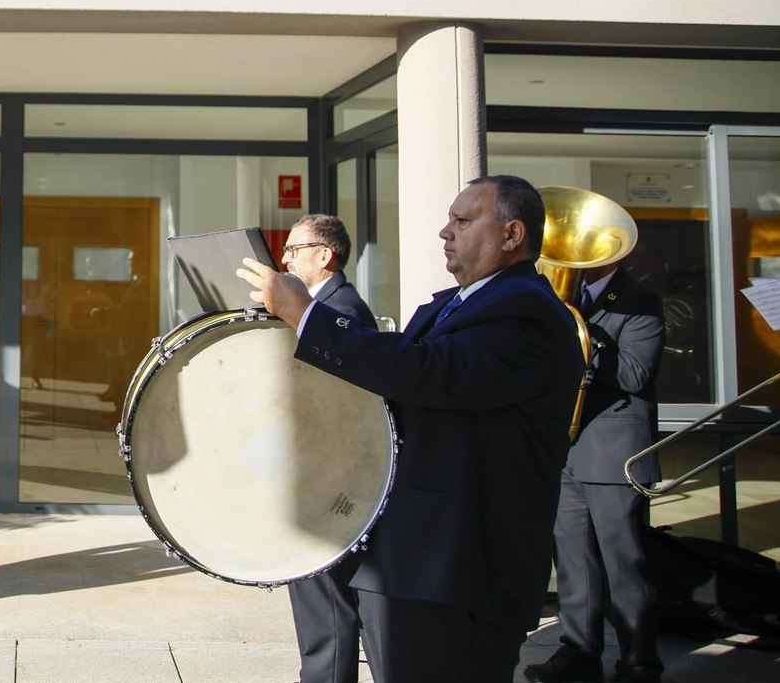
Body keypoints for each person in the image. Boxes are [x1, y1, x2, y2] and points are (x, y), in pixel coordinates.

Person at [239, 176, 583, 683]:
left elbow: (428, 372)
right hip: (416, 562)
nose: (445, 232)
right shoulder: (462, 300)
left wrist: (306, 315)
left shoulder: (527, 310)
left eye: (463, 221)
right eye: (449, 219)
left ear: (512, 236)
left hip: (459, 567)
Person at [525, 265, 666, 683]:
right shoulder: (562, 297)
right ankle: (579, 655)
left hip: (614, 452)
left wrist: (583, 342)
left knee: (626, 565)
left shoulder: (641, 300)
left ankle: (640, 663)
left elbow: (636, 373)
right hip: (568, 448)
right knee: (573, 562)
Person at [278, 214, 377, 683]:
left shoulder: (343, 309)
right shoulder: (323, 305)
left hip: (334, 476)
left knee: (326, 598)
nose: (285, 259)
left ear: (325, 255)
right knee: (316, 594)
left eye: (294, 250)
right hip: (319, 467)